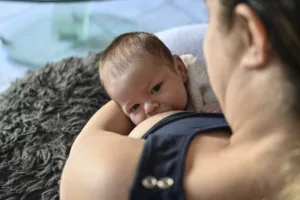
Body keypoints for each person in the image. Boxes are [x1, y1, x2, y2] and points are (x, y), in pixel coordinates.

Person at [60, 0, 300, 199]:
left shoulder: (112, 176)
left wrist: (134, 94)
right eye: (135, 106)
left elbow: (81, 155)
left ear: (249, 34)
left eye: (211, 20)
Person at [99, 31, 221, 126]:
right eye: (135, 107)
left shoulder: (199, 80)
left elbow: (234, 97)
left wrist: (222, 107)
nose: (149, 108)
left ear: (180, 69)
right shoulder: (143, 130)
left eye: (155, 89)